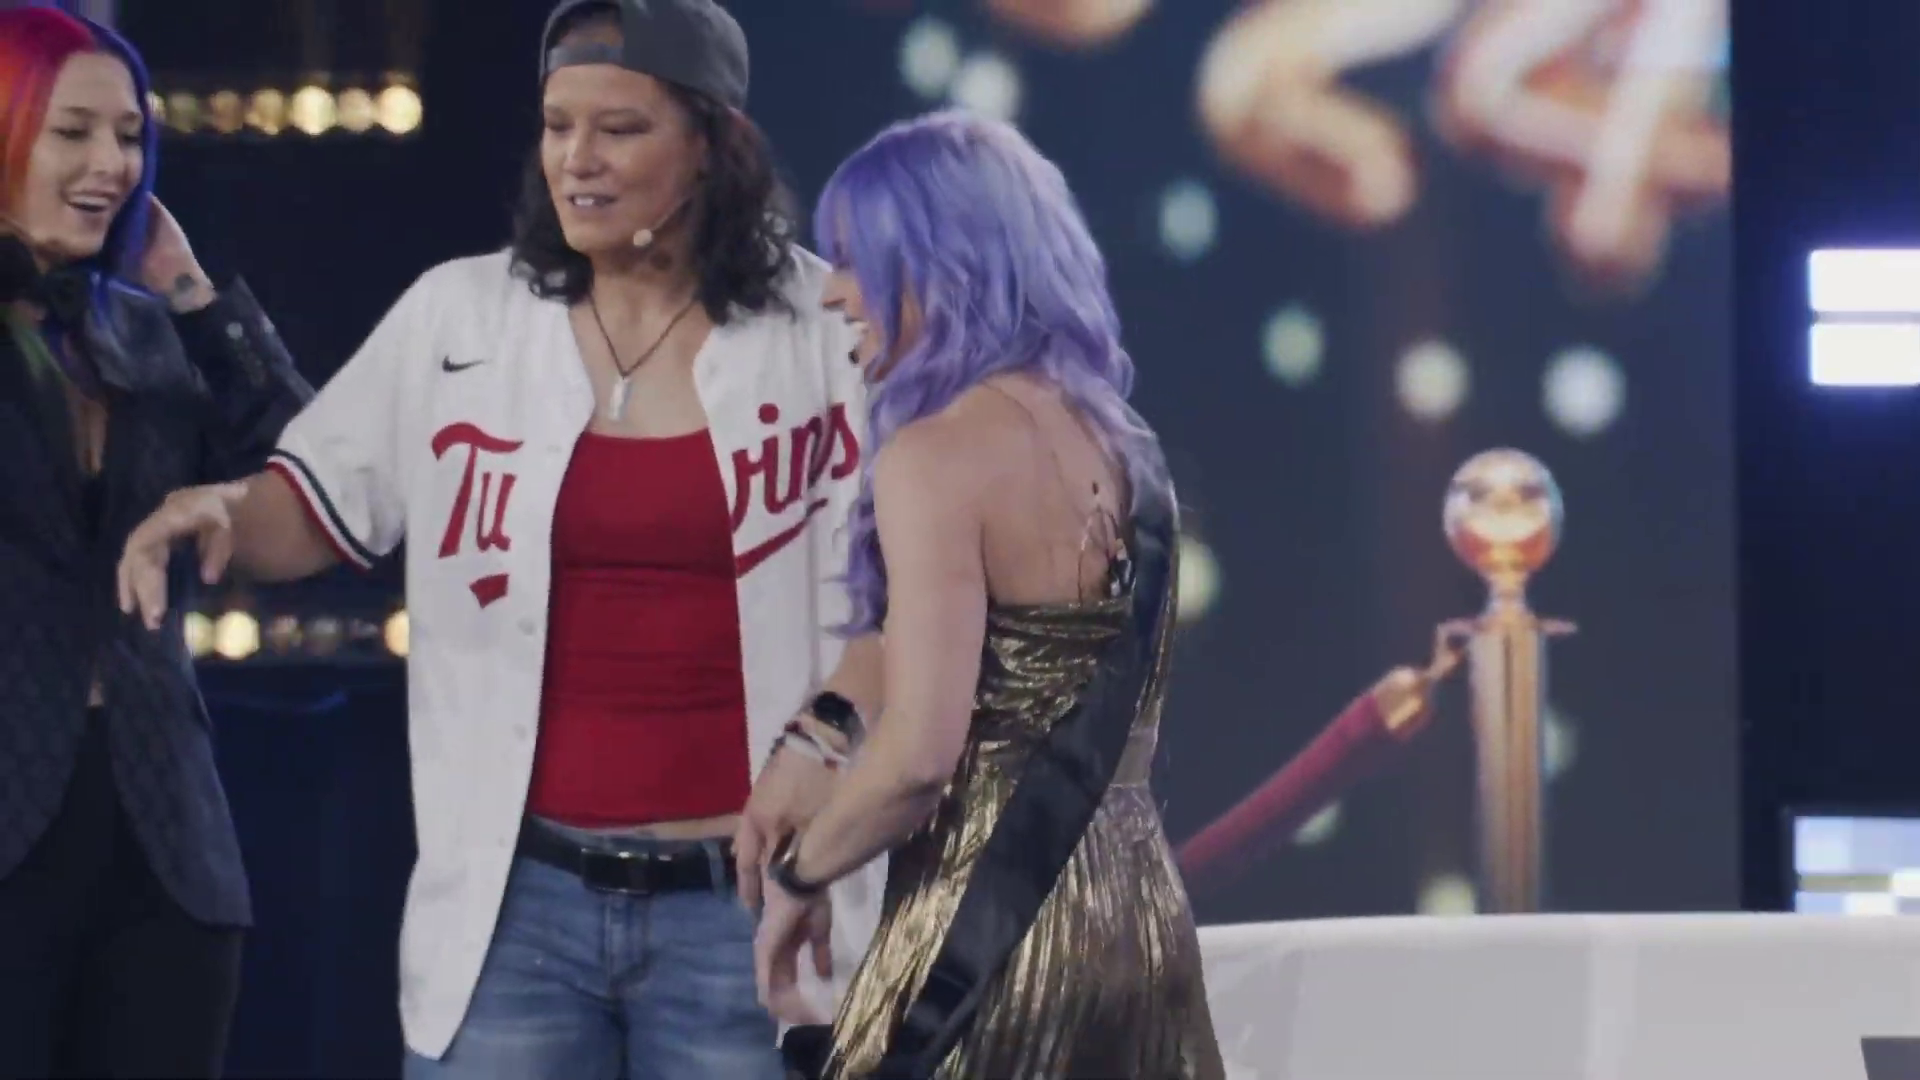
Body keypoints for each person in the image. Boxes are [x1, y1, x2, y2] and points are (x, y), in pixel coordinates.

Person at [116, 1, 886, 1077]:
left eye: (620, 128)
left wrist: (828, 740)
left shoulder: (828, 330)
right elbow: (319, 506)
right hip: (516, 915)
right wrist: (227, 512)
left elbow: (909, 597)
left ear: (716, 144)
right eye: (558, 125)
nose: (578, 159)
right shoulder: (460, 317)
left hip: (754, 907)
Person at [750, 110, 1227, 1080]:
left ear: (943, 263)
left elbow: (917, 762)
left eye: (858, 260)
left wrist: (798, 877)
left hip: (987, 931)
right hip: (1141, 923)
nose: (834, 292)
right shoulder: (1129, 446)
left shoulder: (934, 457)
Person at [0, 8, 316, 1078]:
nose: (112, 164)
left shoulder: (145, 333)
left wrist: (190, 292)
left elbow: (317, 477)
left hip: (161, 844)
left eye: (130, 137)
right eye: (73, 132)